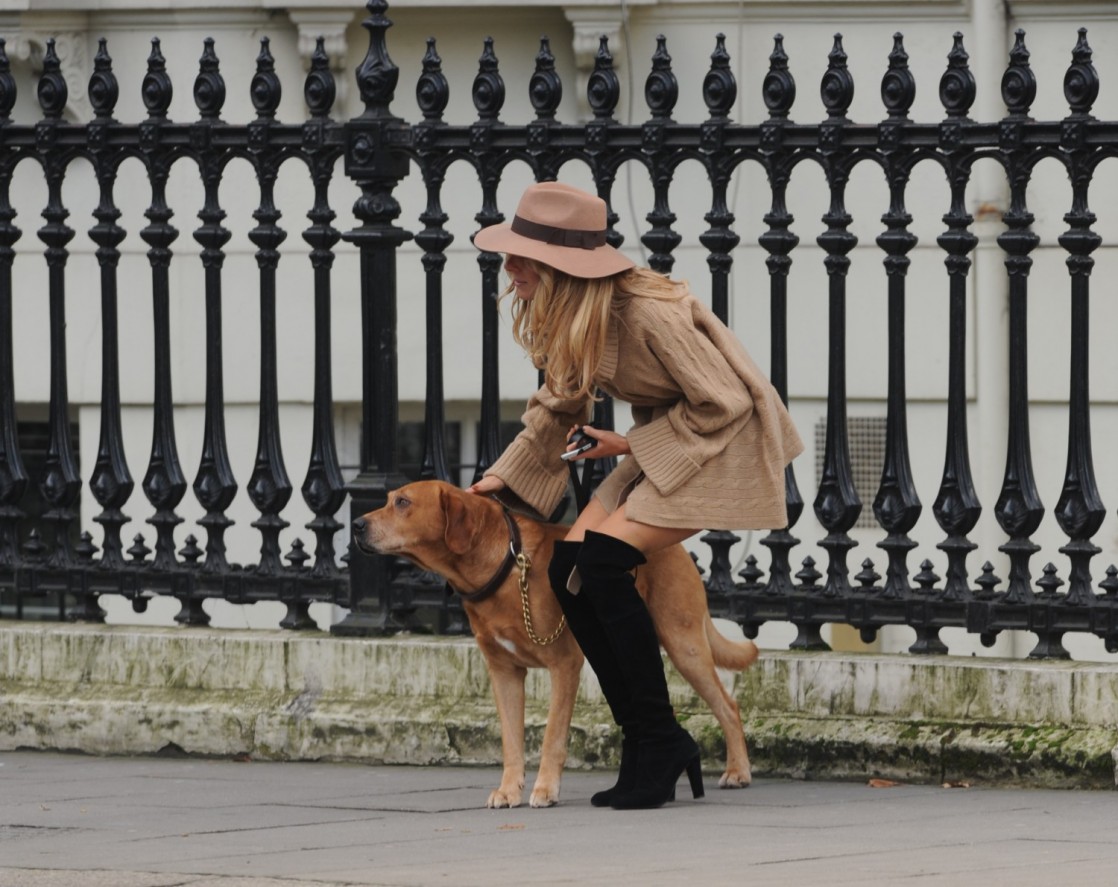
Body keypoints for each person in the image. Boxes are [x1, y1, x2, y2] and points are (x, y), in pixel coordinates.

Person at [469, 181, 803, 810]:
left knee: (601, 563)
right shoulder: (579, 316)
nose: (507, 269)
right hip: (668, 439)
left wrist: (624, 447)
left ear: (557, 266)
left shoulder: (646, 313)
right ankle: (651, 740)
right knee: (571, 567)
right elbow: (559, 401)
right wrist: (502, 478)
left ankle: (657, 741)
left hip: (718, 444)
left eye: (519, 259)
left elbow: (725, 401)